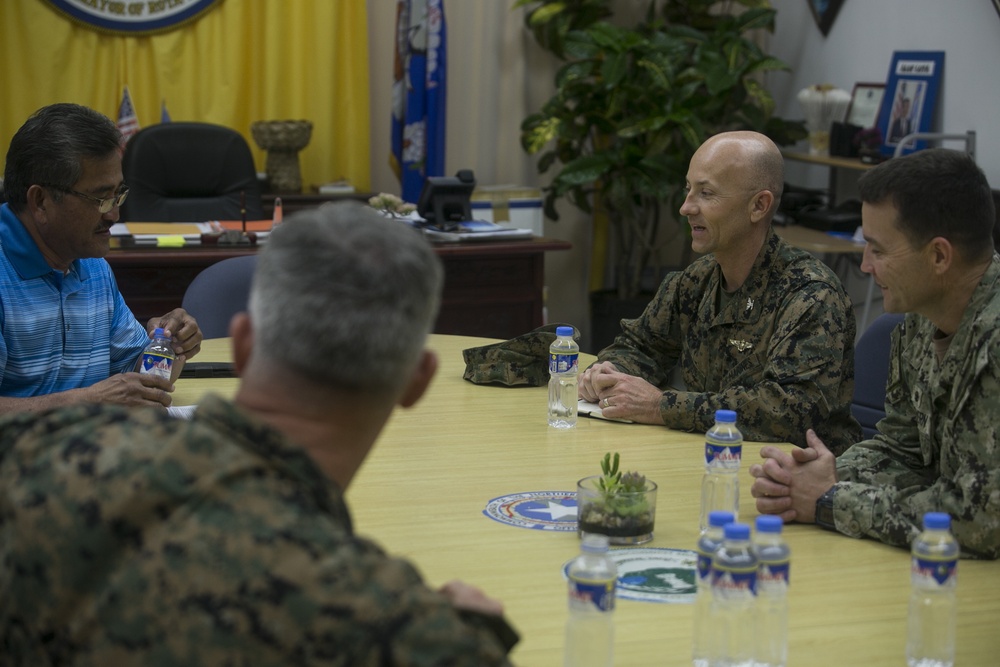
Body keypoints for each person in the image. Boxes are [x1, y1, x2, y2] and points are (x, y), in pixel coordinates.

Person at [0, 202, 516, 664]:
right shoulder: (399, 628)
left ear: (242, 344)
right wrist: (474, 632)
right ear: (416, 382)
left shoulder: (41, 458)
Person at [750, 148, 1000, 560]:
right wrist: (816, 479)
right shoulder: (922, 315)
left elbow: (979, 521)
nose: (865, 266)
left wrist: (830, 502)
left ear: (939, 256)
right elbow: (903, 447)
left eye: (878, 250)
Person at [579, 131, 862, 452]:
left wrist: (661, 406)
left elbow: (791, 410)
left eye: (707, 193)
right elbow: (640, 346)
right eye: (688, 190)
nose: (686, 207)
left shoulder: (810, 293)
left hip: (795, 475)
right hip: (713, 455)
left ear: (759, 205)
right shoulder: (695, 281)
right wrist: (610, 372)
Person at [0, 103, 202, 413]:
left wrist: (169, 346)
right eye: (100, 198)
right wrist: (85, 402)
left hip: (89, 451)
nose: (114, 214)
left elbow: (138, 382)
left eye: (118, 194)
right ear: (40, 201)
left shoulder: (92, 267)